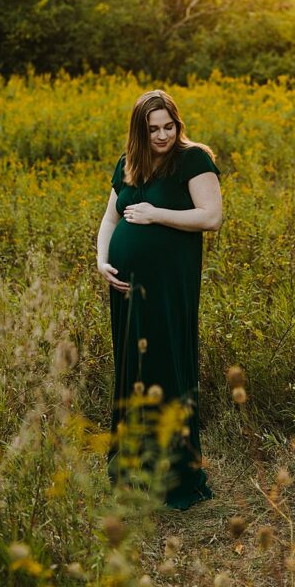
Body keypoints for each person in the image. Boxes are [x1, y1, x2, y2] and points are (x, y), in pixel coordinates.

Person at [96, 89, 222, 510]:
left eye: (169, 126)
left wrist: (156, 214)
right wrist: (101, 260)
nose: (163, 135)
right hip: (126, 291)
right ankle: (133, 467)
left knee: (167, 366)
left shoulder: (193, 159)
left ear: (177, 123)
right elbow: (110, 218)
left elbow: (211, 216)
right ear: (140, 131)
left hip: (169, 289)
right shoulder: (129, 164)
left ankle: (174, 475)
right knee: (133, 369)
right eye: (154, 129)